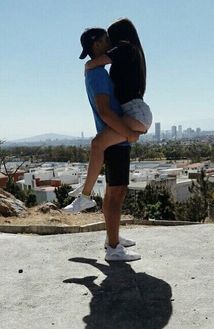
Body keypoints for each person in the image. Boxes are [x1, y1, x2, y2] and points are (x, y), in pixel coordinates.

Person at [64, 26, 142, 261]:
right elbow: (105, 112)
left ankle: (112, 236)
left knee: (116, 192)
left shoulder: (97, 71)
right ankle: (114, 248)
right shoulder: (97, 74)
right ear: (96, 45)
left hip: (114, 137)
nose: (110, 42)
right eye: (106, 39)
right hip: (114, 138)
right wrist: (127, 132)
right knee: (115, 194)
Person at [65, 18, 152, 212]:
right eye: (107, 39)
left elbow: (95, 63)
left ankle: (85, 195)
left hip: (136, 113)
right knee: (99, 145)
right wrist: (131, 133)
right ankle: (87, 189)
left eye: (110, 38)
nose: (110, 43)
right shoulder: (129, 51)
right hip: (137, 113)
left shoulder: (125, 47)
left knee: (98, 144)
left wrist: (88, 65)